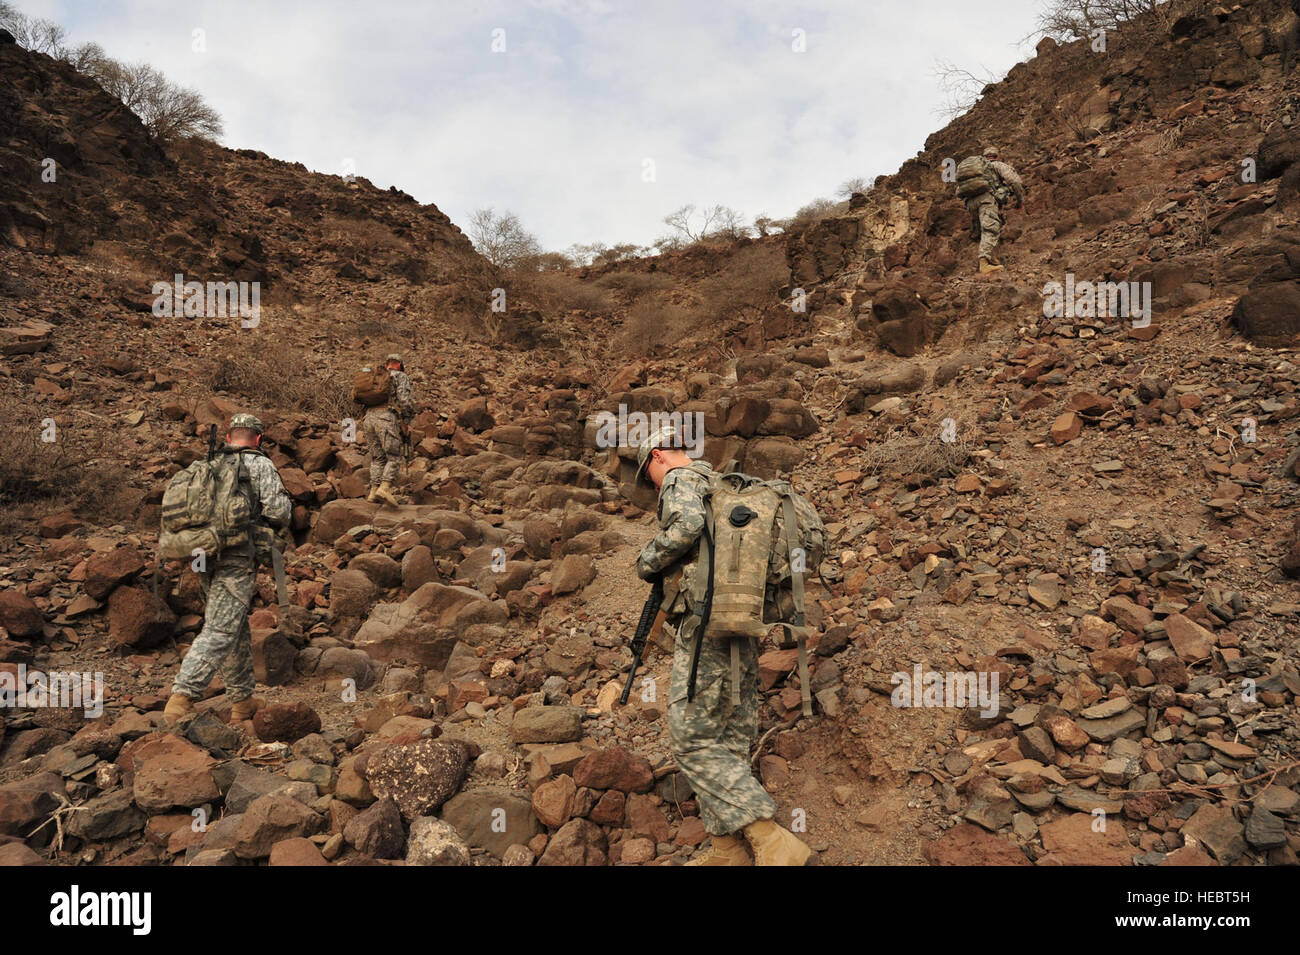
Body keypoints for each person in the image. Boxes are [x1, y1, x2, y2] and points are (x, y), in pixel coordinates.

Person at [634, 425, 811, 866]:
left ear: (658, 456)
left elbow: (686, 525)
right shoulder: (725, 485)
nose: (652, 485)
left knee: (690, 738)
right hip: (743, 619)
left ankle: (772, 841)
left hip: (705, 626)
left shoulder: (682, 479)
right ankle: (726, 848)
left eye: (647, 475)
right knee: (730, 737)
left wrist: (646, 561)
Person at [164, 414, 292, 725]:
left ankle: (242, 700)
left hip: (203, 554)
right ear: (258, 439)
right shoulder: (259, 465)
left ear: (229, 435)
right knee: (220, 630)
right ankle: (181, 697)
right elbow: (279, 511)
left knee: (234, 627)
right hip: (237, 557)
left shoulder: (208, 463)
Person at [965, 145, 1026, 274]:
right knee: (990, 229)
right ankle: (984, 264)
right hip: (987, 201)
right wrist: (1020, 201)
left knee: (982, 229)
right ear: (997, 156)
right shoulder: (997, 165)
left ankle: (991, 257)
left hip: (970, 203)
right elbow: (1014, 181)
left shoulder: (976, 169)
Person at [364, 353, 414, 508]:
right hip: (385, 418)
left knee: (377, 458)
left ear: (386, 364)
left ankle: (373, 492)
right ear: (399, 364)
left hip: (368, 419)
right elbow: (404, 400)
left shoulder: (375, 377)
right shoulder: (400, 376)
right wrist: (407, 420)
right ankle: (384, 488)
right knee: (394, 457)